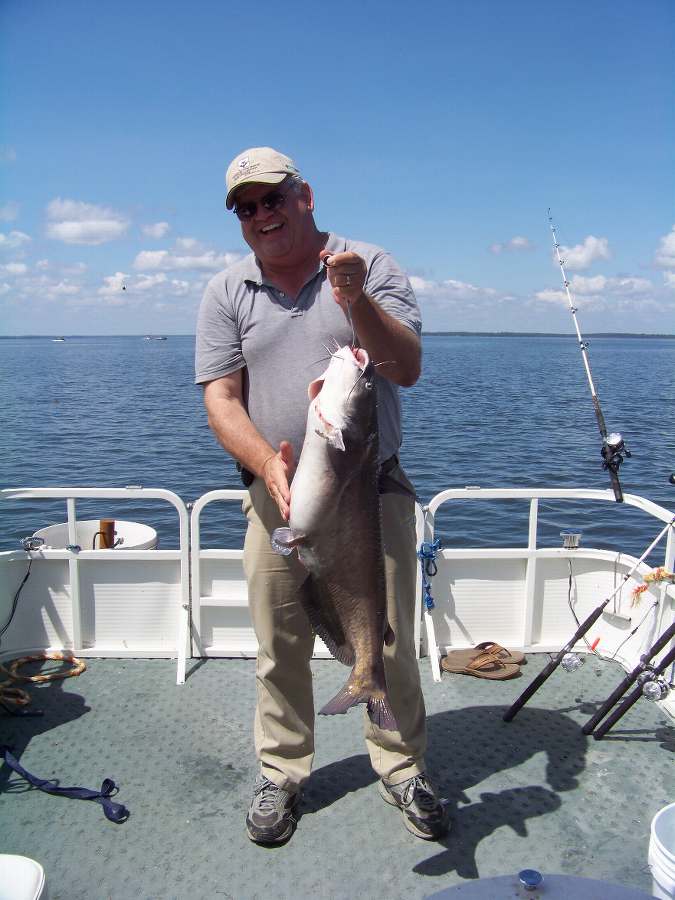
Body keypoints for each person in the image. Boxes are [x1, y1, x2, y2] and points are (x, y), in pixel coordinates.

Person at [195, 147, 449, 845]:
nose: (260, 216)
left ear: (304, 196)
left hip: (371, 492)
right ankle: (282, 772)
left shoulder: (367, 265)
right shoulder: (227, 291)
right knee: (279, 643)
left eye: (271, 199)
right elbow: (221, 398)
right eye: (245, 208)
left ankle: (401, 767)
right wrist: (264, 465)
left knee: (386, 641)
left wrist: (353, 299)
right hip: (274, 497)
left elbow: (405, 367)